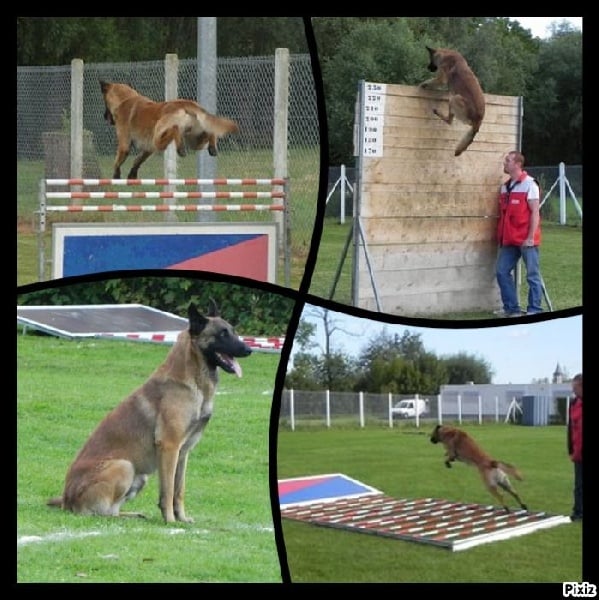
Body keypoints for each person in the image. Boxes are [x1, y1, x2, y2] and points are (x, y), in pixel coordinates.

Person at [495, 150, 544, 317]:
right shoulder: (504, 187)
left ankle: (534, 310)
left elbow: (535, 212)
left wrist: (530, 238)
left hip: (526, 240)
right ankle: (512, 309)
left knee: (532, 275)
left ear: (517, 164)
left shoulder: (530, 185)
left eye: (508, 161)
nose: (505, 163)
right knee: (501, 272)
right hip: (509, 240)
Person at [567, 373, 583, 521]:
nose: (573, 390)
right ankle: (578, 512)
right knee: (578, 485)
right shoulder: (573, 403)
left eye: (575, 387)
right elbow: (571, 428)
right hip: (579, 452)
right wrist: (570, 450)